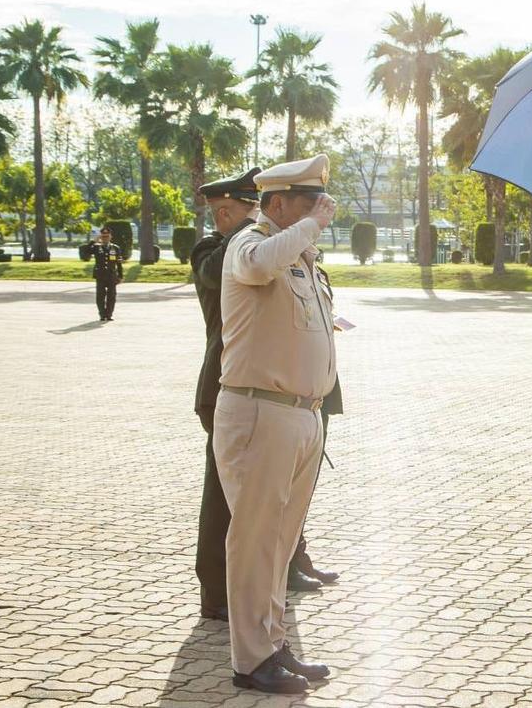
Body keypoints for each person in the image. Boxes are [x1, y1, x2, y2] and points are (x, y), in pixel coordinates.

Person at [214, 153, 337, 694]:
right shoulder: (249, 242)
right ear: (278, 203)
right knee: (256, 541)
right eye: (310, 204)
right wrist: (310, 227)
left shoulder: (302, 255)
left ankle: (272, 642)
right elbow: (258, 266)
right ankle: (250, 660)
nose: (321, 212)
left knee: (281, 545)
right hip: (261, 410)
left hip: (301, 414)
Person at [191, 168, 262, 622]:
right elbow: (222, 273)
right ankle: (215, 592)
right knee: (222, 496)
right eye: (249, 211)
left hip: (254, 386)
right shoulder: (210, 250)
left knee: (255, 493)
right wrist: (247, 234)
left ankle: (250, 583)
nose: (258, 220)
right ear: (223, 212)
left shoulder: (249, 246)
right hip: (221, 388)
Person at [87, 228, 123, 321]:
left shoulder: (115, 247)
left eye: (107, 236)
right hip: (100, 275)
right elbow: (86, 251)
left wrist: (120, 276)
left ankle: (109, 314)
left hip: (111, 275)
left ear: (111, 236)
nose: (105, 238)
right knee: (100, 296)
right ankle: (102, 315)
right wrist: (94, 241)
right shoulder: (96, 247)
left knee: (112, 296)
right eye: (103, 236)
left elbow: (119, 263)